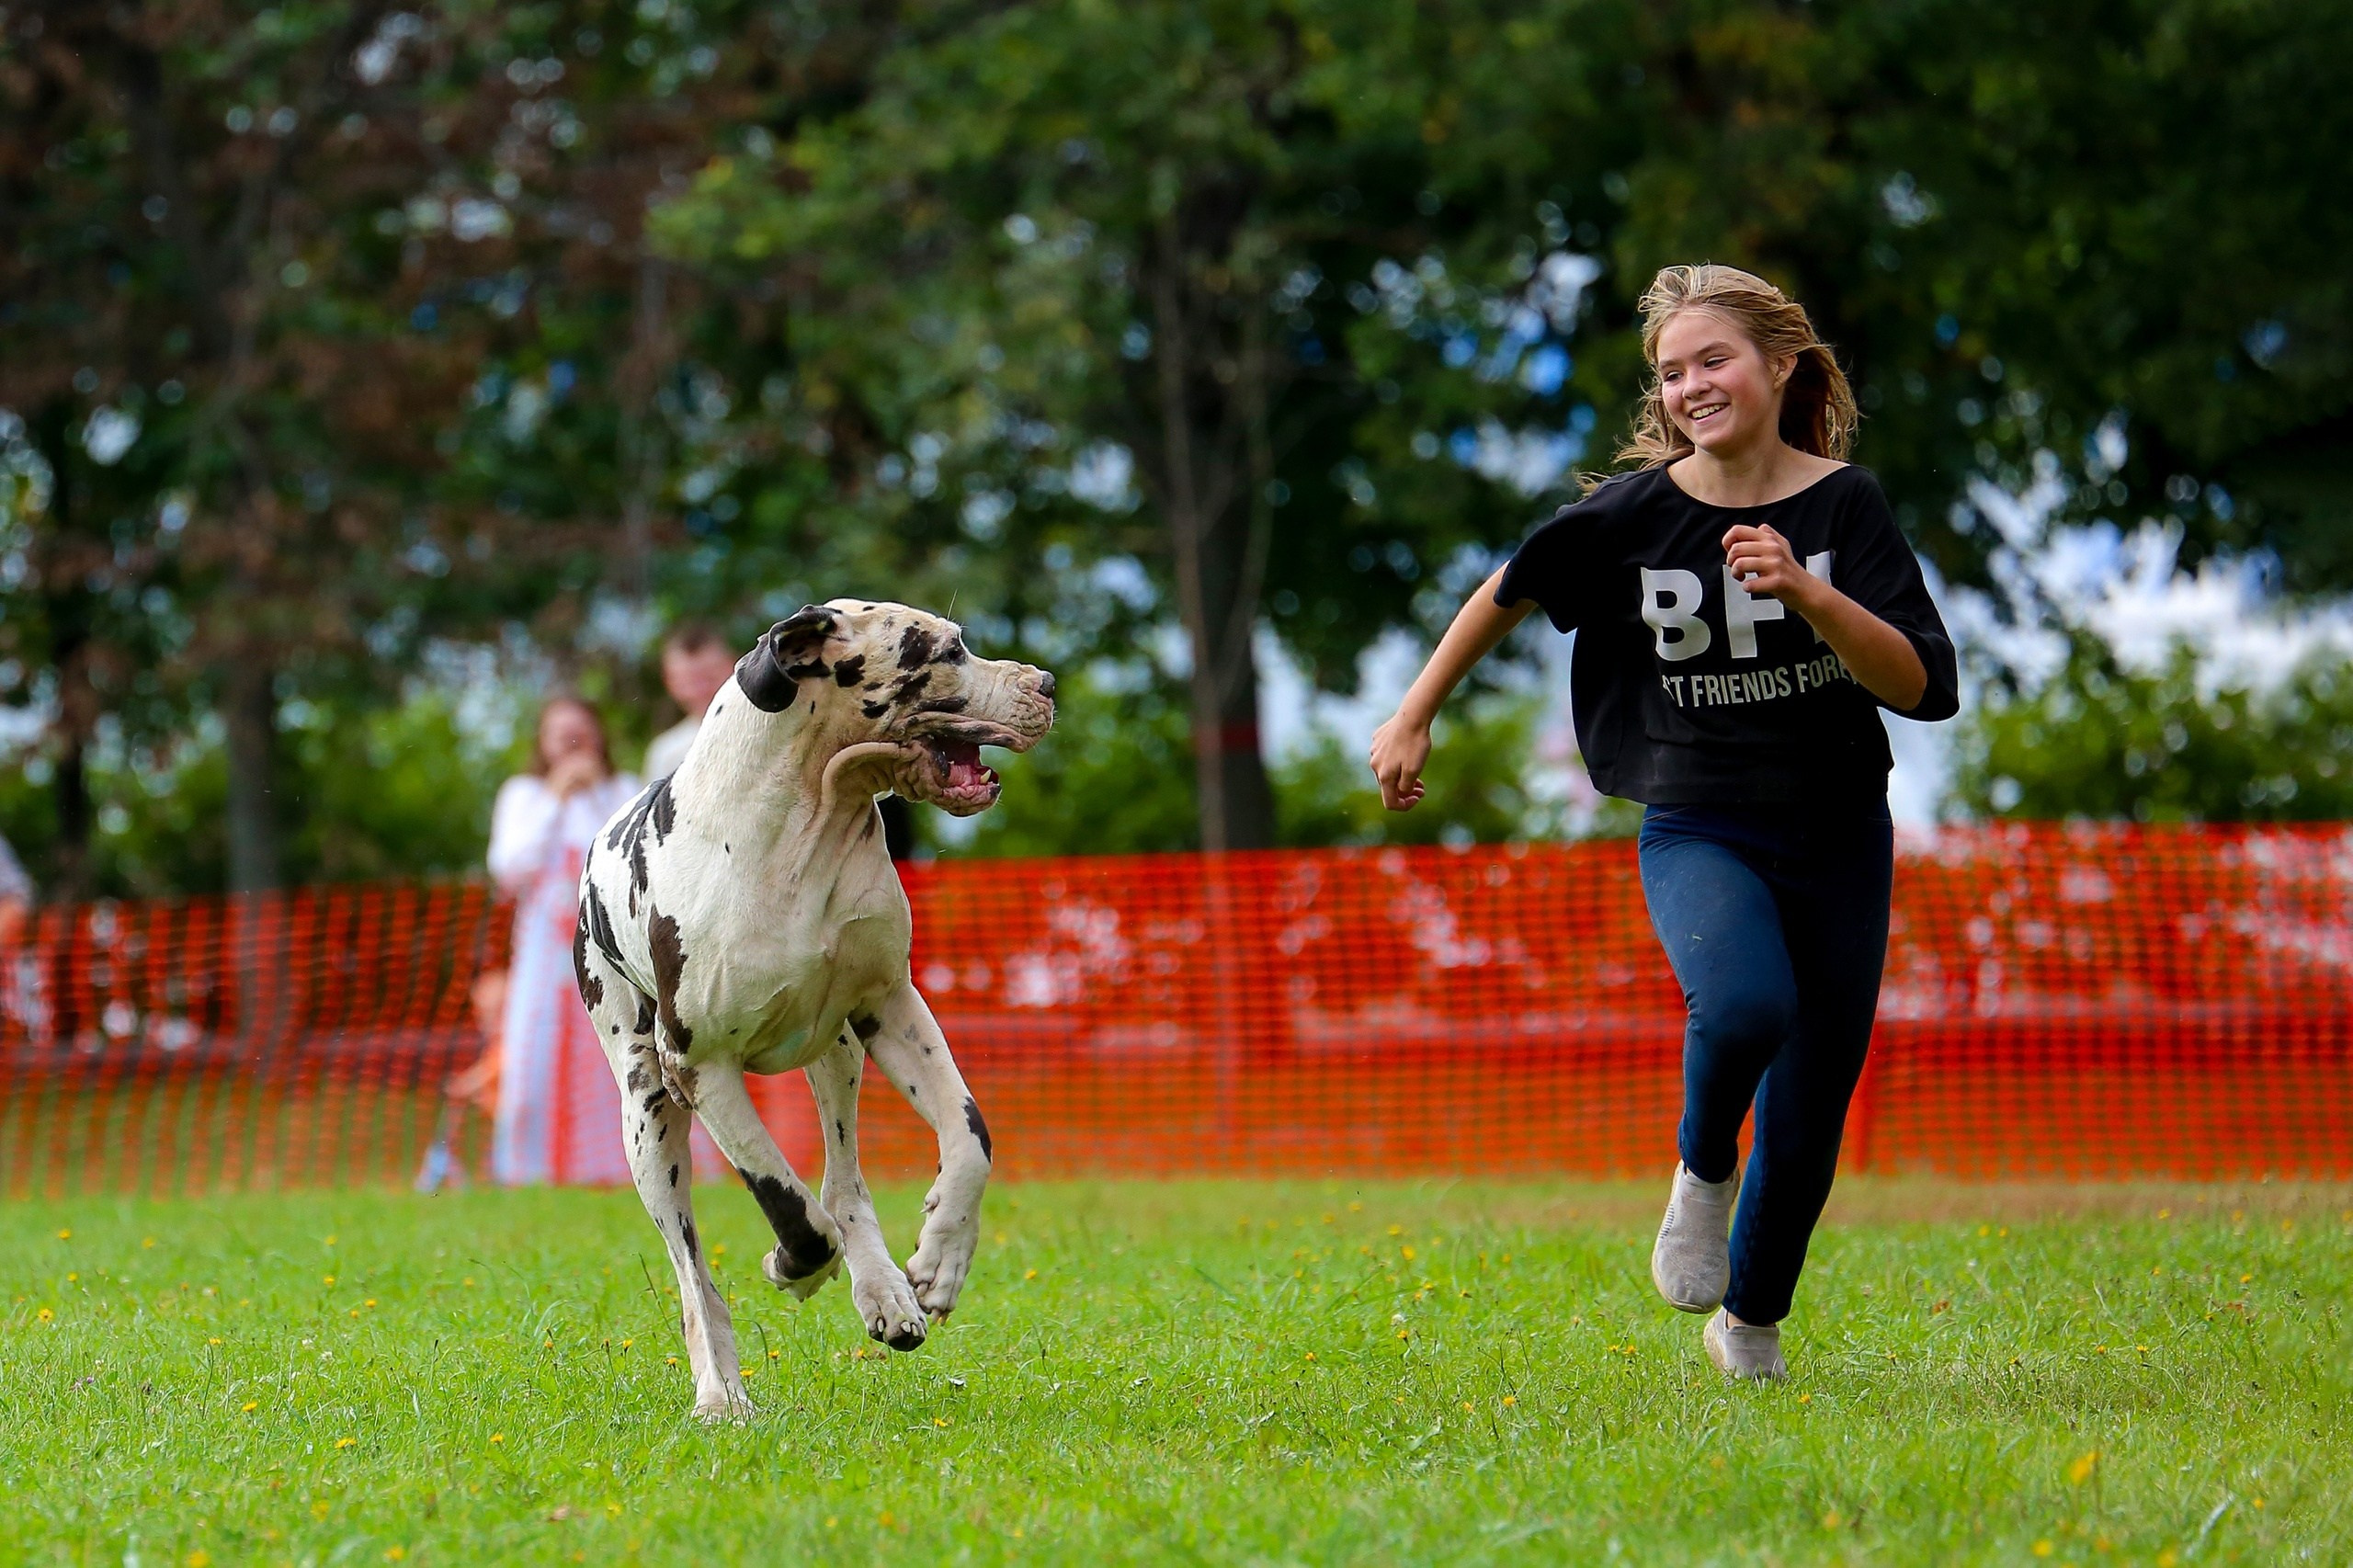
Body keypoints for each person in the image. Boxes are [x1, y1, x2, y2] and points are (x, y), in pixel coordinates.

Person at [1369, 264, 1958, 1381]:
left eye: (1713, 359)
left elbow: (1923, 686)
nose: (1692, 385)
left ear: (1780, 364)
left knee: (1808, 1112)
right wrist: (1413, 712)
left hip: (1838, 830)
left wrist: (1810, 591)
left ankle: (1749, 1327)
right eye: (1673, 371)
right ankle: (1701, 1169)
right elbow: (1509, 586)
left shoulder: (1845, 505)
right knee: (1742, 1006)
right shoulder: (1633, 514)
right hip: (1700, 822)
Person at [485, 695, 641, 1185]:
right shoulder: (523, 795)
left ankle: (621, 1169)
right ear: (543, 742)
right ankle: (529, 1171)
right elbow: (509, 867)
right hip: (543, 954)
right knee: (533, 1062)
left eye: (581, 733)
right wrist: (554, 799)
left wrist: (596, 799)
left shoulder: (624, 789)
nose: (573, 745)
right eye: (561, 735)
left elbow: (635, 859)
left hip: (611, 951)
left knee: (618, 1056)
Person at [642, 622, 738, 783]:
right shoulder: (667, 754)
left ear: (735, 666)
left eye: (710, 678)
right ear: (669, 682)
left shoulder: (769, 726)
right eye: (690, 682)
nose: (701, 691)